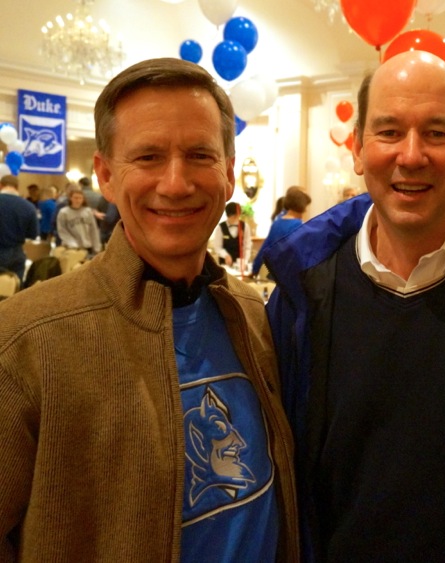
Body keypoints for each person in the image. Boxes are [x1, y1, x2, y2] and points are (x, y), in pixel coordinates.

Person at [263, 50, 445, 562]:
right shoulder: (302, 286)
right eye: (388, 131)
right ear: (357, 149)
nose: (411, 155)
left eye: (436, 132)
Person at [0, 58, 299, 562]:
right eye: (149, 157)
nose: (176, 183)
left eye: (200, 155)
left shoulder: (251, 314)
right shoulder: (27, 341)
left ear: (228, 174)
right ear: (106, 175)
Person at [251, 186, 311, 279]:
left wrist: (255, 268)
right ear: (301, 205)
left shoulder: (277, 222)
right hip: (290, 276)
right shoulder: (298, 225)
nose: (306, 210)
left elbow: (265, 247)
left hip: (274, 273)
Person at [0, 174, 39, 282]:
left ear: (1, 185)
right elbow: (33, 234)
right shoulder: (29, 207)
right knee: (15, 291)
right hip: (17, 254)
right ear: (17, 187)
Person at [56, 186, 102, 257]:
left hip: (87, 246)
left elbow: (93, 230)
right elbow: (62, 231)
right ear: (71, 198)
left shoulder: (88, 211)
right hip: (72, 248)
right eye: (75, 198)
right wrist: (72, 244)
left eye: (80, 198)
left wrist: (97, 247)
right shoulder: (63, 212)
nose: (78, 200)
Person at [211, 201, 252, 270]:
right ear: (228, 215)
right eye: (233, 216)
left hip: (240, 265)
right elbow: (217, 247)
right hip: (224, 265)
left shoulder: (245, 226)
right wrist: (225, 255)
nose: (235, 218)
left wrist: (245, 261)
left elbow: (247, 246)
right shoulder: (221, 227)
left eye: (237, 215)